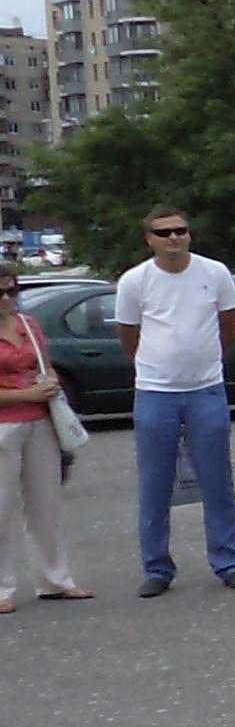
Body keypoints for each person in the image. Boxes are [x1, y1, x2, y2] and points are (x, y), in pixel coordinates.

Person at [115, 207, 235, 595]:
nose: (173, 238)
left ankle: (229, 561)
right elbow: (129, 336)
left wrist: (206, 361)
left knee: (217, 479)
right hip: (155, 391)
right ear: (150, 239)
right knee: (155, 483)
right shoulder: (134, 281)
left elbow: (229, 326)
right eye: (163, 233)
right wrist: (157, 365)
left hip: (206, 389)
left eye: (180, 230)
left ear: (189, 234)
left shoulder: (215, 273)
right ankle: (157, 567)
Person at [0, 260, 89, 611]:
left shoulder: (28, 324)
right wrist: (27, 394)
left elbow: (45, 366)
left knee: (45, 504)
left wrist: (50, 382)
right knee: (1, 507)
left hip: (41, 421)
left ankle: (54, 579)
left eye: (12, 291)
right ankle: (2, 588)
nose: (7, 299)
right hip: (4, 423)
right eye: (0, 293)